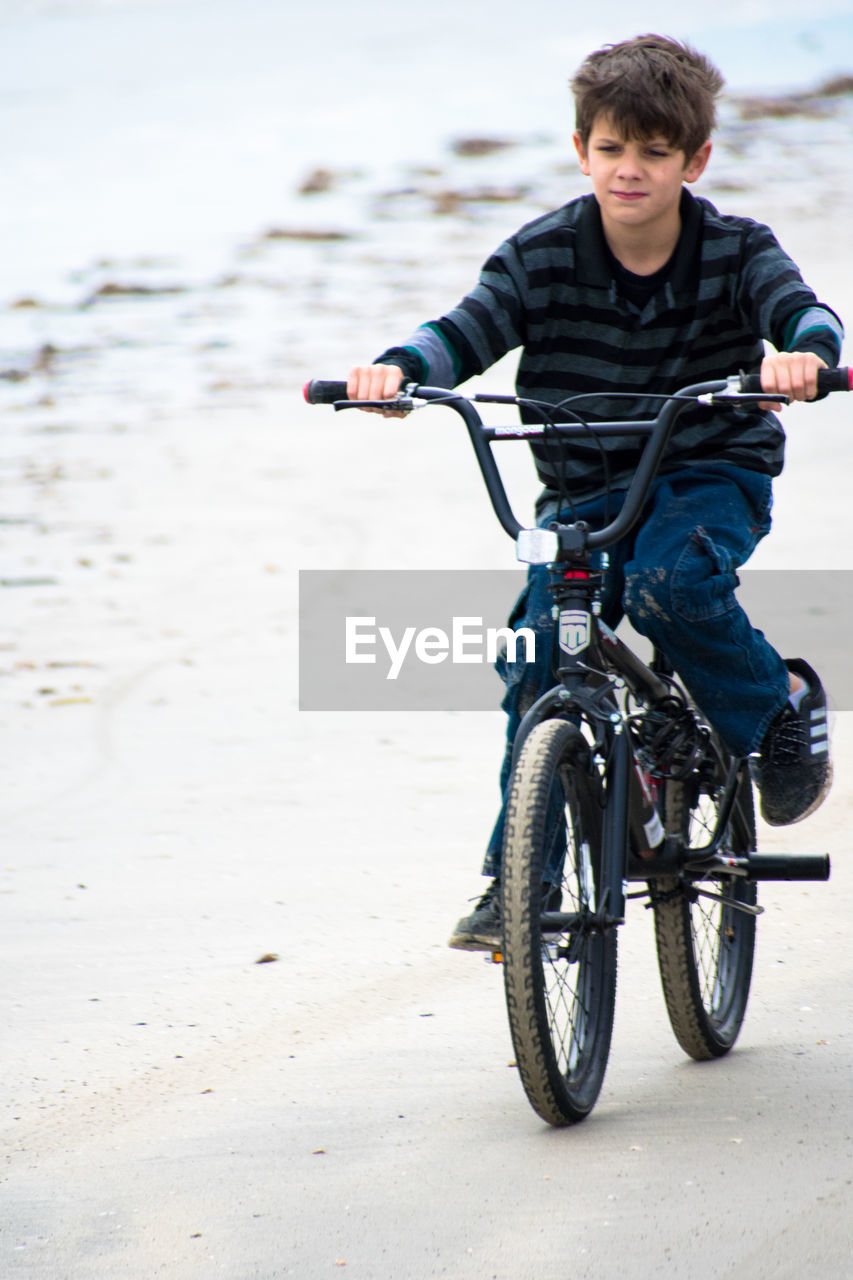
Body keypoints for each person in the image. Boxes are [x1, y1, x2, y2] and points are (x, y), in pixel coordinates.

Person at [347, 34, 844, 951]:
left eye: (654, 153)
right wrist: (398, 371)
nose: (630, 170)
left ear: (693, 160)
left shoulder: (735, 251)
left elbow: (802, 311)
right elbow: (466, 328)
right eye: (611, 149)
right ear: (580, 151)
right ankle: (518, 885)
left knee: (670, 586)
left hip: (705, 469)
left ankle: (773, 706)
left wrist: (808, 357)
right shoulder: (540, 254)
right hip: (582, 483)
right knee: (538, 647)